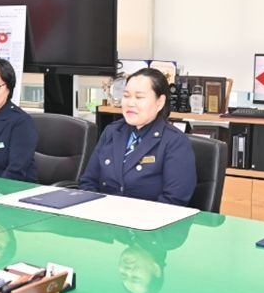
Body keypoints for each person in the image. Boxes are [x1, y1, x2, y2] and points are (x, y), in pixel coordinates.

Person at [79, 67, 196, 205]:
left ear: (160, 102)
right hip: (103, 214)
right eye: (126, 96)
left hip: (150, 217)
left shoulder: (175, 142)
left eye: (139, 97)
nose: (130, 103)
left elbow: (174, 200)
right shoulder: (112, 131)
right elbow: (88, 182)